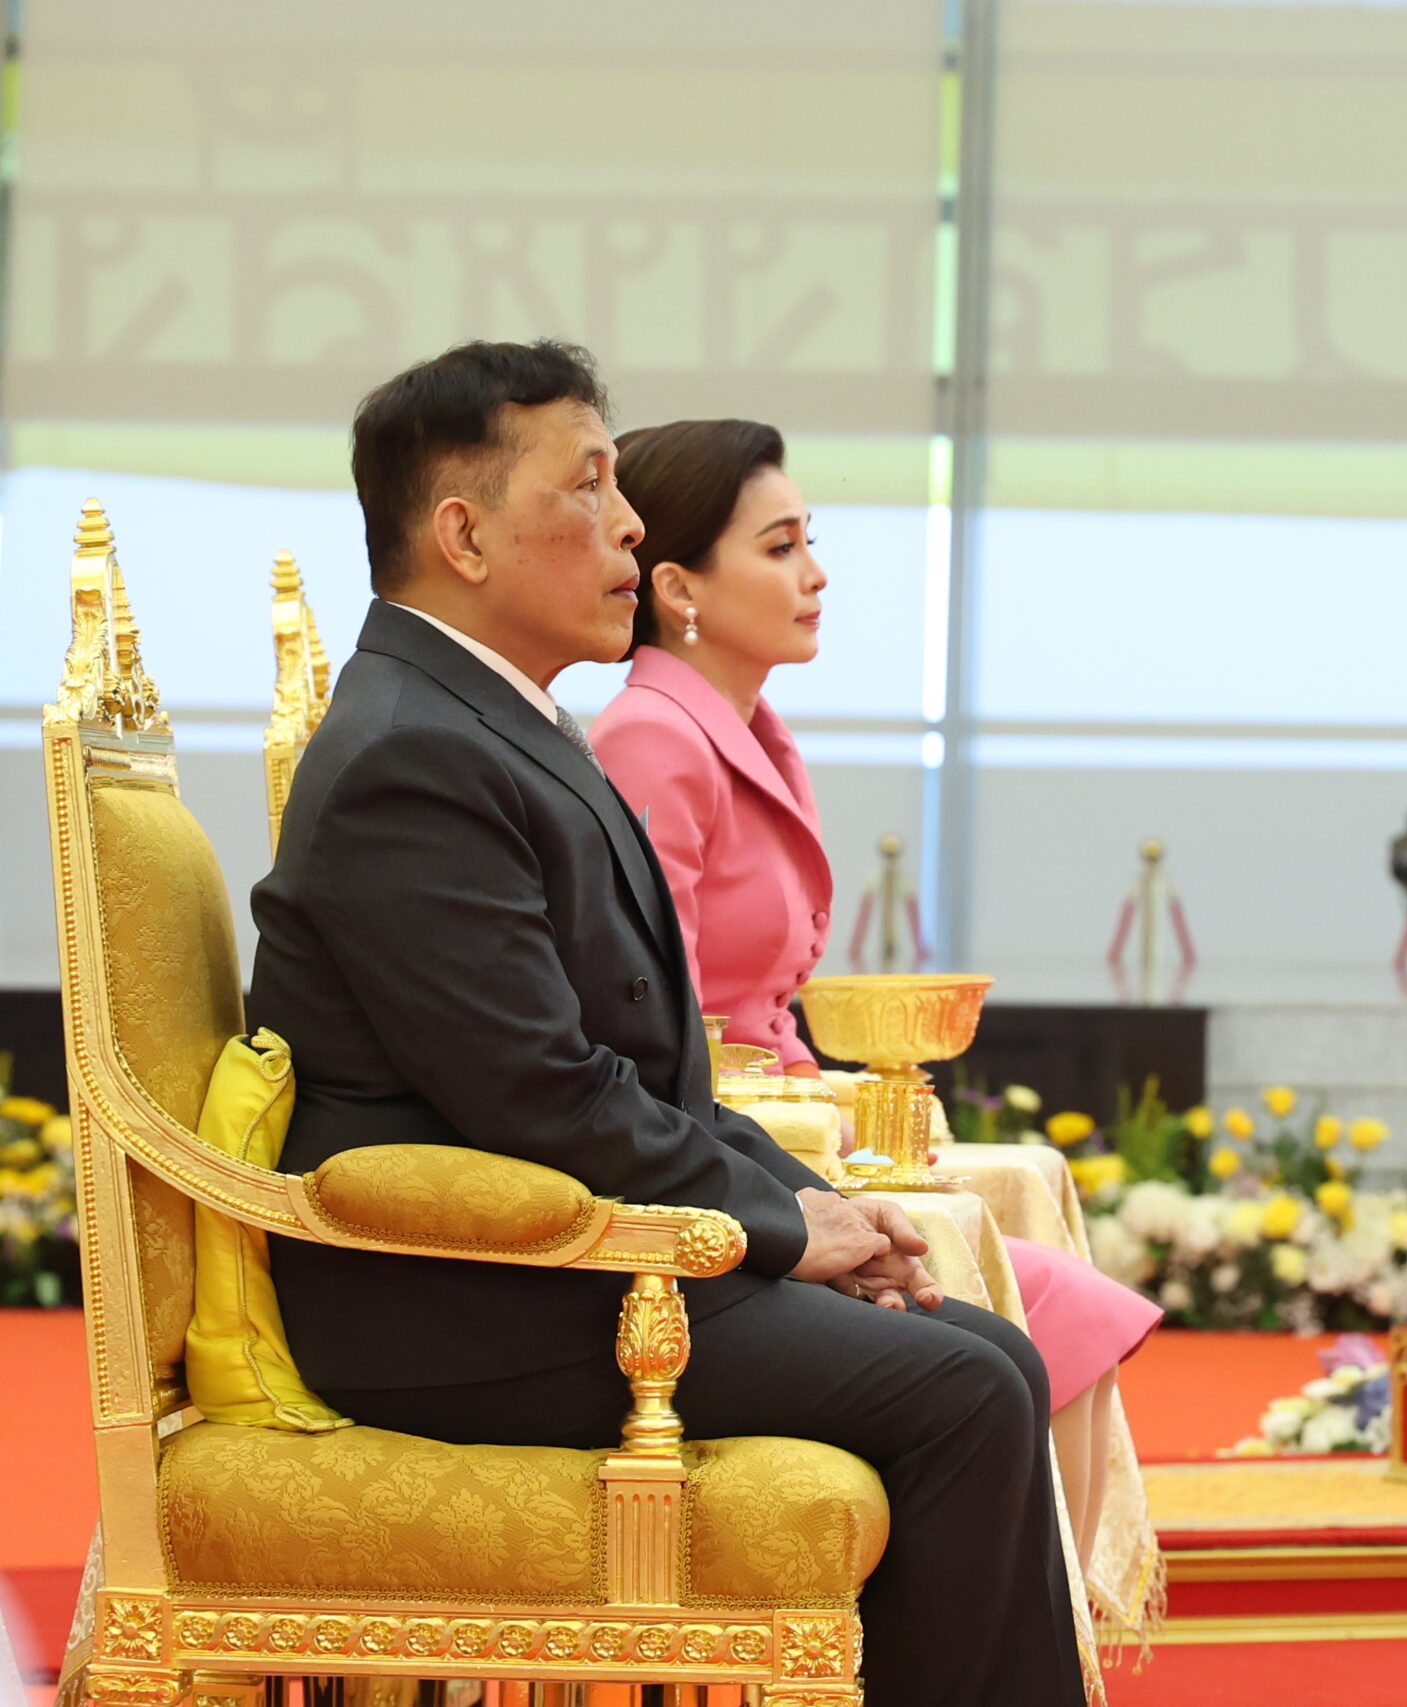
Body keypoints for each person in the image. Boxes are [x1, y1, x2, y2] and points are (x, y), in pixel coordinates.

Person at [247, 342, 1084, 1707]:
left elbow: (656, 1082)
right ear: (463, 532)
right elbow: (541, 1092)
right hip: (466, 1295)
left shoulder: (497, 722)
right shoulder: (414, 751)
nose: (632, 523)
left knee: (988, 1349)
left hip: (557, 1256)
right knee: (966, 1392)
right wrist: (781, 1231)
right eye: (589, 485)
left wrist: (825, 1210)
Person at [589, 417, 1161, 1415]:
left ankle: (1061, 1571)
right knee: (1043, 1304)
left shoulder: (750, 728)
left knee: (1041, 1269)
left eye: (812, 541)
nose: (815, 574)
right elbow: (653, 1026)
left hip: (786, 1119)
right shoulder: (651, 735)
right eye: (780, 548)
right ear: (677, 588)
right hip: (735, 1151)